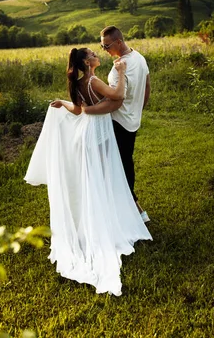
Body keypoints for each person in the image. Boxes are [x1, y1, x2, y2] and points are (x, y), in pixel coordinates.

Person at [24, 47, 151, 296]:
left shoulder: (80, 83)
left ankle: (99, 218)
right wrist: (122, 72)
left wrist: (63, 102)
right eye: (93, 53)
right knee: (103, 177)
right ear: (87, 61)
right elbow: (117, 94)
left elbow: (78, 109)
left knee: (97, 178)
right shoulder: (93, 80)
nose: (96, 53)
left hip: (88, 131)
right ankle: (104, 222)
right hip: (99, 132)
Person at [83, 26, 150, 222]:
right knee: (125, 164)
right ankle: (133, 209)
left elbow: (116, 102)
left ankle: (134, 212)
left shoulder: (117, 70)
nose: (103, 49)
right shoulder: (139, 57)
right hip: (133, 123)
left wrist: (88, 110)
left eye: (106, 45)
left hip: (118, 124)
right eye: (101, 46)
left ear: (118, 42)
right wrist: (138, 110)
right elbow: (147, 87)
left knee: (117, 170)